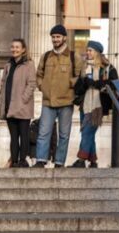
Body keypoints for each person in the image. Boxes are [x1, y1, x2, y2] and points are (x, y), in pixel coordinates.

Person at [34, 25, 83, 168]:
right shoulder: (46, 56)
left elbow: (80, 76)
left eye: (58, 37)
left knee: (64, 135)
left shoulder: (74, 57)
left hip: (66, 101)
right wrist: (41, 86)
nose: (55, 39)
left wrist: (70, 84)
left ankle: (59, 162)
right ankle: (41, 160)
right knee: (43, 132)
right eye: (53, 37)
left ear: (64, 38)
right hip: (48, 102)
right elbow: (39, 74)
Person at [71, 41, 117, 168]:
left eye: (90, 50)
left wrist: (94, 83)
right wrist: (83, 82)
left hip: (98, 106)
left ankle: (81, 160)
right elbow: (78, 89)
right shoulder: (84, 68)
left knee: (87, 132)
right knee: (88, 133)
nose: (88, 53)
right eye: (87, 50)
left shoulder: (108, 68)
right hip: (84, 105)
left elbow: (113, 84)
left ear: (97, 52)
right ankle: (93, 161)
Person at [0, 38, 36, 168]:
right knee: (13, 136)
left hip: (23, 106)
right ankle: (14, 160)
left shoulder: (29, 64)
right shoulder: (8, 65)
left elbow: (32, 84)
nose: (14, 49)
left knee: (24, 134)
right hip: (9, 106)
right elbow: (3, 83)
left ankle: (22, 160)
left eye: (17, 47)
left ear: (23, 49)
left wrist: (23, 99)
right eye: (13, 47)